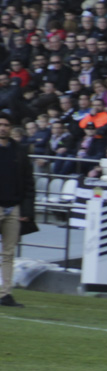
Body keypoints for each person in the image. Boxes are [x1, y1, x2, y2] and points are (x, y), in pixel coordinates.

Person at [0, 111, 34, 308]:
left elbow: (29, 182)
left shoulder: (19, 151)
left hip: (13, 207)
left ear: (11, 128)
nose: (3, 128)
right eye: (0, 124)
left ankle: (5, 293)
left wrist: (26, 211)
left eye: (6, 125)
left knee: (9, 253)